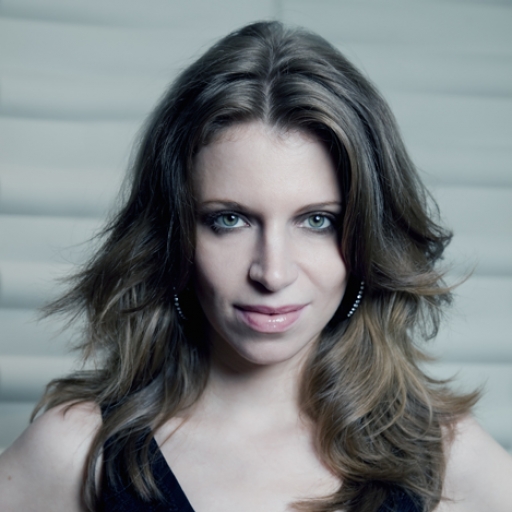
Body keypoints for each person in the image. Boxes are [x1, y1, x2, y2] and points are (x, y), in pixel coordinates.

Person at [0, 20, 511, 512]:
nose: (272, 273)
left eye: (317, 221)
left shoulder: (447, 458)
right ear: (173, 235)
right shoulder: (77, 452)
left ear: (368, 241)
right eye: (229, 219)